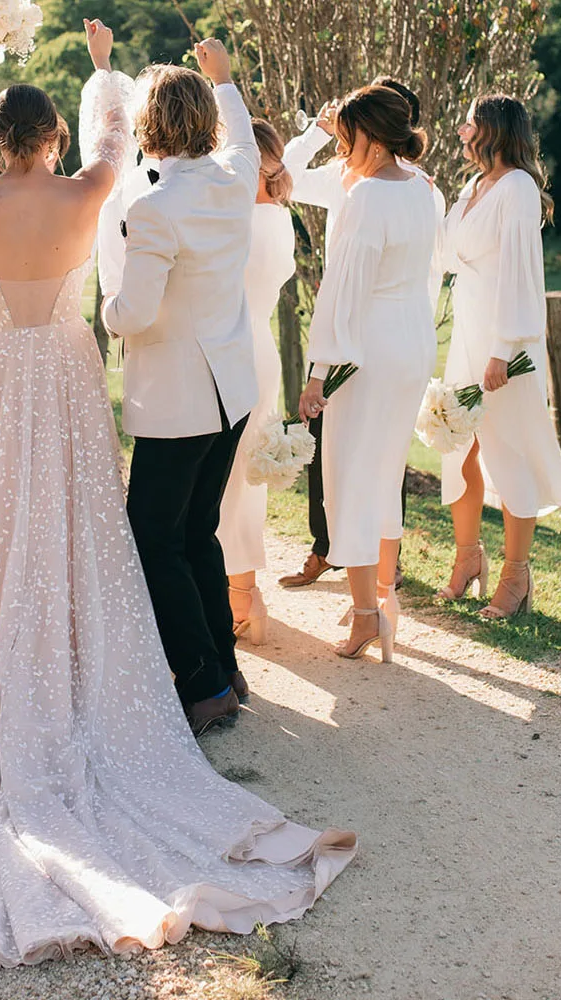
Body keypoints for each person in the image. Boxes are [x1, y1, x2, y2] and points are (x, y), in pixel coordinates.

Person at [0, 27, 356, 973]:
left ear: (0, 140)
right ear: (52, 141)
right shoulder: (88, 193)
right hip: (69, 378)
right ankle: (110, 666)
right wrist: (106, 69)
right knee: (84, 526)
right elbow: (118, 136)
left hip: (4, 374)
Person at [102, 52, 260, 731]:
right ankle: (223, 670)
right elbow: (246, 136)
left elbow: (133, 313)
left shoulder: (156, 206)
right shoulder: (235, 176)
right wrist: (224, 78)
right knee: (199, 532)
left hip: (177, 397)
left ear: (147, 127)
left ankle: (200, 681)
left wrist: (104, 312)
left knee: (153, 539)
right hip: (231, 390)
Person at [278, 77, 445, 590]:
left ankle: (368, 611)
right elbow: (432, 271)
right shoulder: (424, 188)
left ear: (371, 138)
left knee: (349, 478)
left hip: (365, 346)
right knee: (385, 471)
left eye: (346, 136)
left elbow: (343, 294)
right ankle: (382, 596)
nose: (341, 147)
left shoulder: (369, 194)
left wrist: (319, 375)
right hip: (411, 340)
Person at [436, 95, 561, 617]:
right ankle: (468, 558)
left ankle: (516, 578)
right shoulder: (473, 188)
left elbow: (521, 272)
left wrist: (504, 349)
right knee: (457, 447)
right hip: (467, 334)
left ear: (492, 130)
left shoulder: (518, 188)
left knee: (508, 450)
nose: (460, 132)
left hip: (504, 343)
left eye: (468, 123)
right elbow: (449, 256)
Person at [216, 119, 295, 646]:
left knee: (228, 482)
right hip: (261, 350)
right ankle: (239, 589)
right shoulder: (281, 218)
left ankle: (243, 595)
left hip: (236, 353)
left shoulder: (240, 220)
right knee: (243, 478)